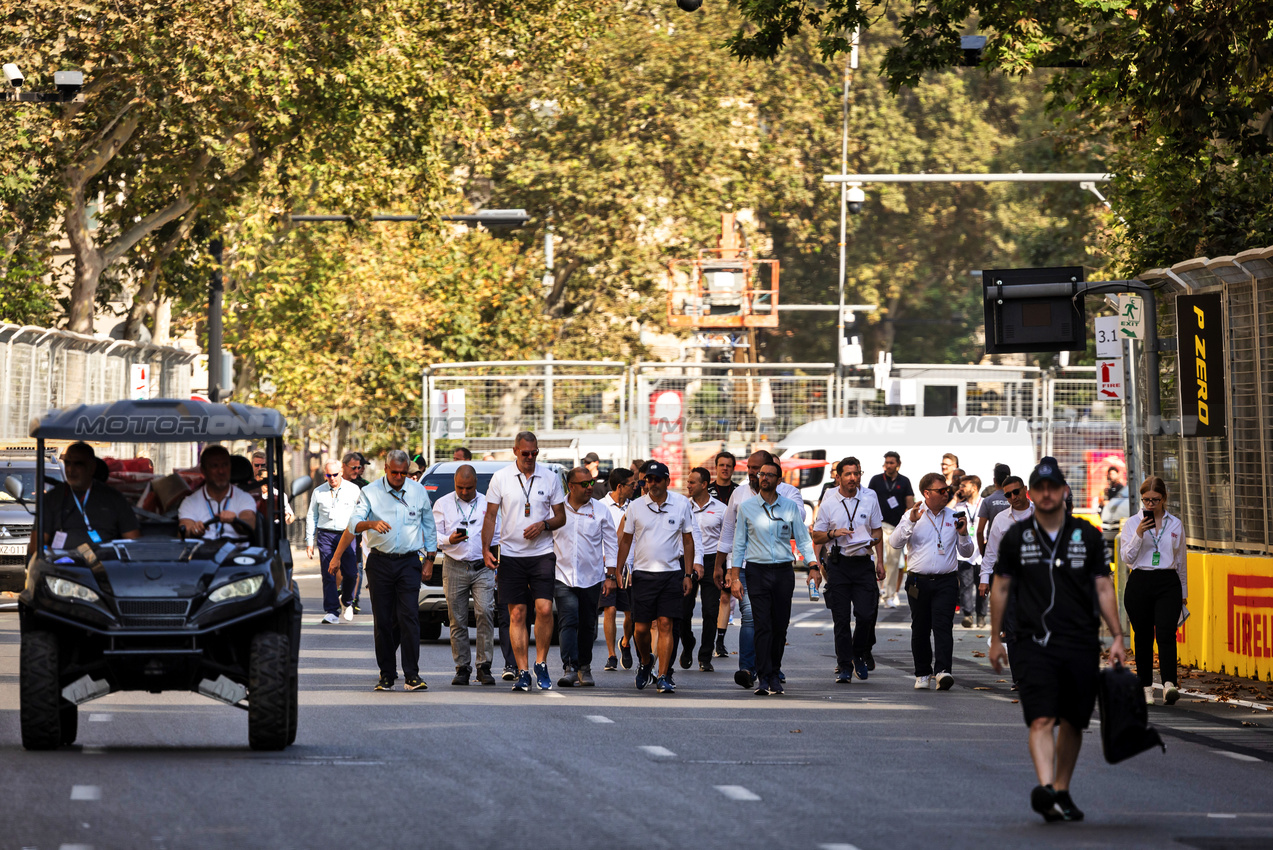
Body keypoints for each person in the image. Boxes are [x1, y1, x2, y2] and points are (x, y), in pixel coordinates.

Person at [989, 457, 1126, 823]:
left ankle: (1061, 790)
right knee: (1041, 718)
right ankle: (1047, 786)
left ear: (1065, 491)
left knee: (1072, 720)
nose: (1046, 494)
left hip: (1079, 641)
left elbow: (1102, 585)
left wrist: (1117, 635)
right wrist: (994, 638)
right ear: (1031, 495)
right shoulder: (1016, 537)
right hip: (1031, 640)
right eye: (1040, 489)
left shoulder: (1088, 535)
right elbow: (1001, 586)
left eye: (1053, 488)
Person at [330, 450, 437, 692]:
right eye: (394, 472)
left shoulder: (417, 491)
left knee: (409, 617)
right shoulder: (370, 492)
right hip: (380, 563)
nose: (399, 477)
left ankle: (412, 676)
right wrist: (371, 523)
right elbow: (353, 524)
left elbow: (429, 526)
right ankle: (387, 674)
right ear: (386, 469)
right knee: (384, 621)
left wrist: (430, 559)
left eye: (403, 473)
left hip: (409, 562)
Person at [481, 431, 567, 692]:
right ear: (515, 451)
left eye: (534, 453)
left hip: (541, 553)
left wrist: (543, 525)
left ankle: (540, 663)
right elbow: (490, 517)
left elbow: (561, 518)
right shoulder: (501, 478)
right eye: (525, 453)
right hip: (511, 555)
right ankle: (522, 671)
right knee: (516, 614)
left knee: (543, 609)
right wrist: (486, 548)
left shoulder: (550, 478)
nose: (530, 458)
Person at [715, 450, 806, 689]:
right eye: (754, 470)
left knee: (778, 625)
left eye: (765, 472)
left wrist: (814, 564)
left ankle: (773, 669)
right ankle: (755, 671)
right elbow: (733, 537)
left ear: (777, 475)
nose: (758, 475)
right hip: (751, 568)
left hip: (783, 570)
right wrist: (728, 571)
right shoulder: (742, 499)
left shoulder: (789, 498)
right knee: (755, 619)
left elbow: (802, 530)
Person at [613, 461, 699, 694]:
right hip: (643, 574)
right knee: (640, 629)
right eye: (648, 479)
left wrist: (688, 574)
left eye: (657, 479)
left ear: (667, 481)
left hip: (671, 573)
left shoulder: (681, 504)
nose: (652, 483)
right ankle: (645, 661)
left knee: (665, 624)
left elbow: (688, 540)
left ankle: (663, 676)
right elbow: (626, 540)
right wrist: (618, 570)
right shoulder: (636, 507)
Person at [888, 472, 974, 690]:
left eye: (947, 490)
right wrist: (910, 522)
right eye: (941, 491)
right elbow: (895, 542)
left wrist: (963, 534)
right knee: (920, 628)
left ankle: (943, 671)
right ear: (927, 493)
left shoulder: (954, 515)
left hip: (946, 580)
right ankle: (923, 672)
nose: (946, 494)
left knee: (943, 626)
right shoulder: (912, 515)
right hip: (918, 582)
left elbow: (968, 551)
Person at [810, 457, 885, 683]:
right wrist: (834, 534)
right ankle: (844, 665)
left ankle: (858, 652)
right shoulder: (829, 501)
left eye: (857, 473)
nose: (853, 478)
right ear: (839, 477)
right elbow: (817, 535)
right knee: (841, 619)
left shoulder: (870, 498)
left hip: (863, 564)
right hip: (839, 564)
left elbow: (878, 531)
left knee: (866, 614)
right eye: (849, 474)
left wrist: (878, 556)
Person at [1119, 476, 1187, 705]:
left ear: (1164, 498)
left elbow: (1181, 560)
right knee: (1143, 635)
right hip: (1140, 580)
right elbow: (1127, 558)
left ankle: (1169, 684)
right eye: (1146, 500)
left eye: (1155, 500)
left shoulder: (1175, 523)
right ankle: (1146, 686)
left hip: (1168, 581)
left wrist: (1183, 591)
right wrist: (1139, 533)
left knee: (1167, 633)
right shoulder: (1131, 523)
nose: (1150, 504)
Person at [433, 465, 498, 686]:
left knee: (485, 613)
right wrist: (449, 540)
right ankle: (462, 668)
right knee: (457, 619)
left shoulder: (487, 503)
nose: (463, 492)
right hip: (454, 565)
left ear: (476, 483)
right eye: (459, 487)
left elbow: (497, 535)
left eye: (468, 488)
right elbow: (433, 535)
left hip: (482, 566)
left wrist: (497, 561)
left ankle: (484, 666)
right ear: (454, 483)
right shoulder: (442, 503)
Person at [553, 467, 617, 687]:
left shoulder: (600, 510)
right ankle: (569, 667)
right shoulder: (557, 509)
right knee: (568, 621)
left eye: (591, 483)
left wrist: (611, 575)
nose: (590, 487)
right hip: (562, 576)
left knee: (588, 624)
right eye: (584, 484)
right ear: (571, 486)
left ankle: (584, 667)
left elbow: (611, 542)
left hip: (592, 577)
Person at [36, 441, 140, 553]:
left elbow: (133, 542)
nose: (71, 470)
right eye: (68, 463)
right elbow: (36, 546)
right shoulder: (52, 498)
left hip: (106, 563)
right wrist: (50, 553)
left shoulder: (113, 498)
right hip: (62, 565)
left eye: (78, 464)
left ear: (92, 467)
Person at [674, 467, 725, 672]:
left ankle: (705, 656)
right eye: (688, 482)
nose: (688, 485)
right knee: (683, 611)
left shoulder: (721, 509)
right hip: (687, 561)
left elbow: (727, 539)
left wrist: (725, 568)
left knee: (710, 611)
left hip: (713, 561)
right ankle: (688, 644)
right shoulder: (682, 506)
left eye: (693, 482)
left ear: (704, 484)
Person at [306, 460, 363, 624]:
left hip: (347, 533)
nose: (332, 478)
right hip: (326, 534)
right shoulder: (318, 492)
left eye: (335, 475)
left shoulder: (353, 490)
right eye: (328, 475)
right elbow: (312, 516)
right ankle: (331, 611)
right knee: (328, 572)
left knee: (351, 573)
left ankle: (346, 601)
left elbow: (361, 512)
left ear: (341, 473)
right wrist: (310, 541)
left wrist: (362, 535)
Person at [599, 467, 637, 672]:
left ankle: (625, 642)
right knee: (610, 609)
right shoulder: (600, 506)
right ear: (620, 486)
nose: (636, 487)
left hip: (630, 567)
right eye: (632, 484)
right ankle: (611, 654)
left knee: (631, 614)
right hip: (607, 568)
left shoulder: (636, 507)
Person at [178, 446, 258, 541]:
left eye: (225, 465)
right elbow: (183, 530)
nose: (221, 471)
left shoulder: (245, 498)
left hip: (238, 553)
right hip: (202, 553)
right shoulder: (190, 502)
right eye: (215, 466)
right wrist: (193, 530)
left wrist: (236, 521)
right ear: (203, 470)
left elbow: (249, 523)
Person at [867, 451, 914, 608]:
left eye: (891, 462)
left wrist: (909, 523)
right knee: (876, 559)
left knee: (894, 562)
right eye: (886, 462)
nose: (888, 465)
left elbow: (909, 504)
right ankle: (873, 591)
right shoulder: (876, 480)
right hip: (879, 525)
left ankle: (890, 594)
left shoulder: (904, 481)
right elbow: (868, 500)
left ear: (898, 464)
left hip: (896, 527)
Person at [953, 474, 983, 628]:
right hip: (964, 553)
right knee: (965, 584)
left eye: (964, 486)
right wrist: (955, 499)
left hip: (981, 551)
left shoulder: (984, 504)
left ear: (975, 488)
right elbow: (948, 513)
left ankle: (981, 615)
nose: (961, 489)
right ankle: (968, 615)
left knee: (982, 585)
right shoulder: (958, 505)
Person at [977, 463, 1012, 556]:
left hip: (993, 549)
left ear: (994, 480)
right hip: (1014, 547)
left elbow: (980, 531)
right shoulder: (1016, 500)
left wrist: (983, 552)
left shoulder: (988, 501)